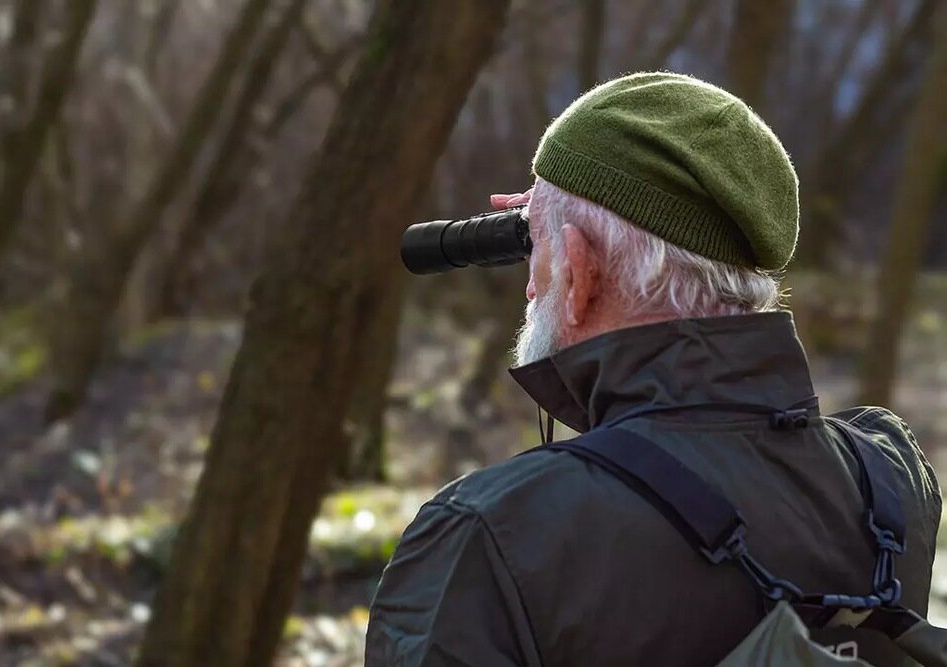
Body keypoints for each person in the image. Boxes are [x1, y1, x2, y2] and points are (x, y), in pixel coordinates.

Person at [364, 72, 941, 665]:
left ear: (580, 272)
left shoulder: (490, 540)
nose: (532, 281)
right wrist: (559, 223)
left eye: (537, 250)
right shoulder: (889, 487)